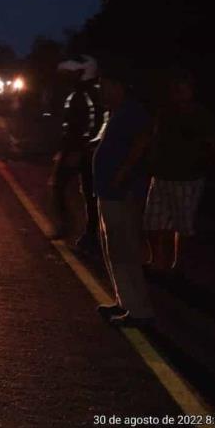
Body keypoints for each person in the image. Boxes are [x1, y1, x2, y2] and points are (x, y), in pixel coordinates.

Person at [144, 72, 215, 273]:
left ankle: (178, 265)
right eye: (176, 88)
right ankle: (157, 260)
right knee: (153, 222)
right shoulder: (165, 113)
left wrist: (202, 163)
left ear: (191, 91)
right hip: (161, 175)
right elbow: (154, 138)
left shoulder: (201, 116)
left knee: (182, 223)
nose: (179, 93)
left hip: (186, 178)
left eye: (183, 88)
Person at [93, 69, 154, 327]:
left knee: (125, 250)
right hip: (108, 191)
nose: (102, 92)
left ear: (118, 86)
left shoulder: (132, 112)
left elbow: (141, 143)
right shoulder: (117, 113)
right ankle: (124, 301)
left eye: (105, 86)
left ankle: (138, 311)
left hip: (121, 193)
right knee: (113, 249)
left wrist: (122, 174)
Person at [50, 55, 104, 253]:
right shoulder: (79, 92)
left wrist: (80, 150)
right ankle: (80, 230)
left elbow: (94, 124)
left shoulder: (90, 93)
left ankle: (88, 234)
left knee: (86, 193)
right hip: (75, 149)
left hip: (83, 152)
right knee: (83, 192)